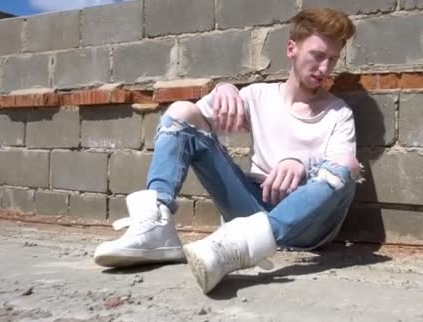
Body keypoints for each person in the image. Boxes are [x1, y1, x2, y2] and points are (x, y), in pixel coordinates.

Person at [93, 8, 361, 294]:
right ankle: (158, 227)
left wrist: (302, 164)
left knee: (349, 163)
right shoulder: (257, 96)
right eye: (318, 55)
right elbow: (193, 122)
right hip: (250, 207)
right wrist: (222, 89)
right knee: (181, 111)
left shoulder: (338, 112)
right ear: (292, 49)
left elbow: (343, 167)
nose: (324, 69)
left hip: (309, 224)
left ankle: (242, 244)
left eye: (332, 60)